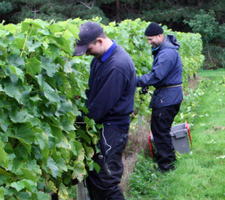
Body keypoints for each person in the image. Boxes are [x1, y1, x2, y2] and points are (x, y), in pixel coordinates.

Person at [73, 21, 136, 200]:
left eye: (88, 48)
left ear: (99, 41)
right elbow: (93, 92)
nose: (87, 53)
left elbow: (99, 108)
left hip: (113, 129)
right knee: (96, 177)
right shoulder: (100, 59)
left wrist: (75, 120)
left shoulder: (116, 65)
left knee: (106, 181)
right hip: (104, 127)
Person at [137, 22, 183, 172]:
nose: (150, 42)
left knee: (160, 131)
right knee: (161, 130)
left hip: (167, 98)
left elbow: (157, 76)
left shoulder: (166, 53)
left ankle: (166, 166)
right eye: (148, 40)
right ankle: (169, 161)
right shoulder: (164, 50)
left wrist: (136, 81)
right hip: (167, 96)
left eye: (151, 39)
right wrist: (146, 84)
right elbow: (160, 75)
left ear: (160, 35)